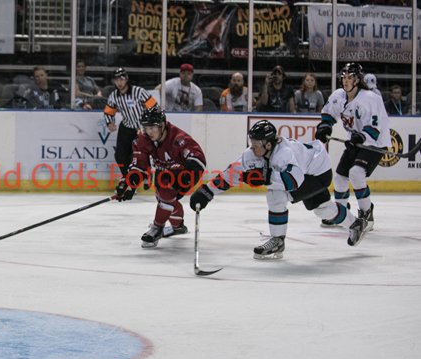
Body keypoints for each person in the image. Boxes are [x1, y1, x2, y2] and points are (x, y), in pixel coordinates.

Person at [190, 120, 368, 260]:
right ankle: (355, 223)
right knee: (323, 209)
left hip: (318, 172)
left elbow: (293, 181)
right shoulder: (253, 153)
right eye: (251, 142)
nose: (252, 147)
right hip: (309, 166)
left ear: (268, 144)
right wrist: (208, 191)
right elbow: (233, 172)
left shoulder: (284, 154)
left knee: (275, 194)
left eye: (256, 143)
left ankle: (277, 241)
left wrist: (265, 177)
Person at [114, 107, 207, 248]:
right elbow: (139, 164)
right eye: (146, 127)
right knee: (165, 201)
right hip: (163, 172)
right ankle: (178, 226)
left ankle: (157, 228)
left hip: (184, 174)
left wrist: (188, 174)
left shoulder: (179, 139)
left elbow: (198, 160)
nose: (149, 131)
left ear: (163, 125)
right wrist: (129, 183)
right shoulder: (143, 139)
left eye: (152, 127)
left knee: (165, 193)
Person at [315, 62, 391, 232]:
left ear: (358, 79)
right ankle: (341, 215)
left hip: (375, 143)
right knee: (340, 179)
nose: (345, 81)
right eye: (343, 77)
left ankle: (367, 214)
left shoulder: (370, 98)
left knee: (356, 174)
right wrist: (325, 126)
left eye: (350, 77)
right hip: (356, 142)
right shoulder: (339, 95)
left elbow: (374, 127)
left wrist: (360, 136)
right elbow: (329, 113)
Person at [103, 67, 158, 177]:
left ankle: (147, 175)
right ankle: (128, 179)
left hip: (142, 128)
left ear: (126, 79)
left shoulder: (138, 91)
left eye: (122, 79)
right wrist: (109, 122)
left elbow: (154, 107)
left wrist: (148, 125)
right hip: (127, 126)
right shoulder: (114, 95)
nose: (119, 82)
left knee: (142, 155)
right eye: (117, 80)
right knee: (120, 156)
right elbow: (109, 111)